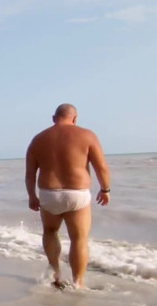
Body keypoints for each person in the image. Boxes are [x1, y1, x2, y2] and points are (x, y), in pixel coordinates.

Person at [25, 103, 111, 288]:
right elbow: (101, 167)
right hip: (77, 194)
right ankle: (78, 282)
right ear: (75, 118)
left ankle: (56, 275)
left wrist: (32, 196)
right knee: (79, 238)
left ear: (54, 118)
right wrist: (105, 190)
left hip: (49, 194)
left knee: (50, 232)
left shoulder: (38, 139)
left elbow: (30, 174)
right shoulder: (87, 135)